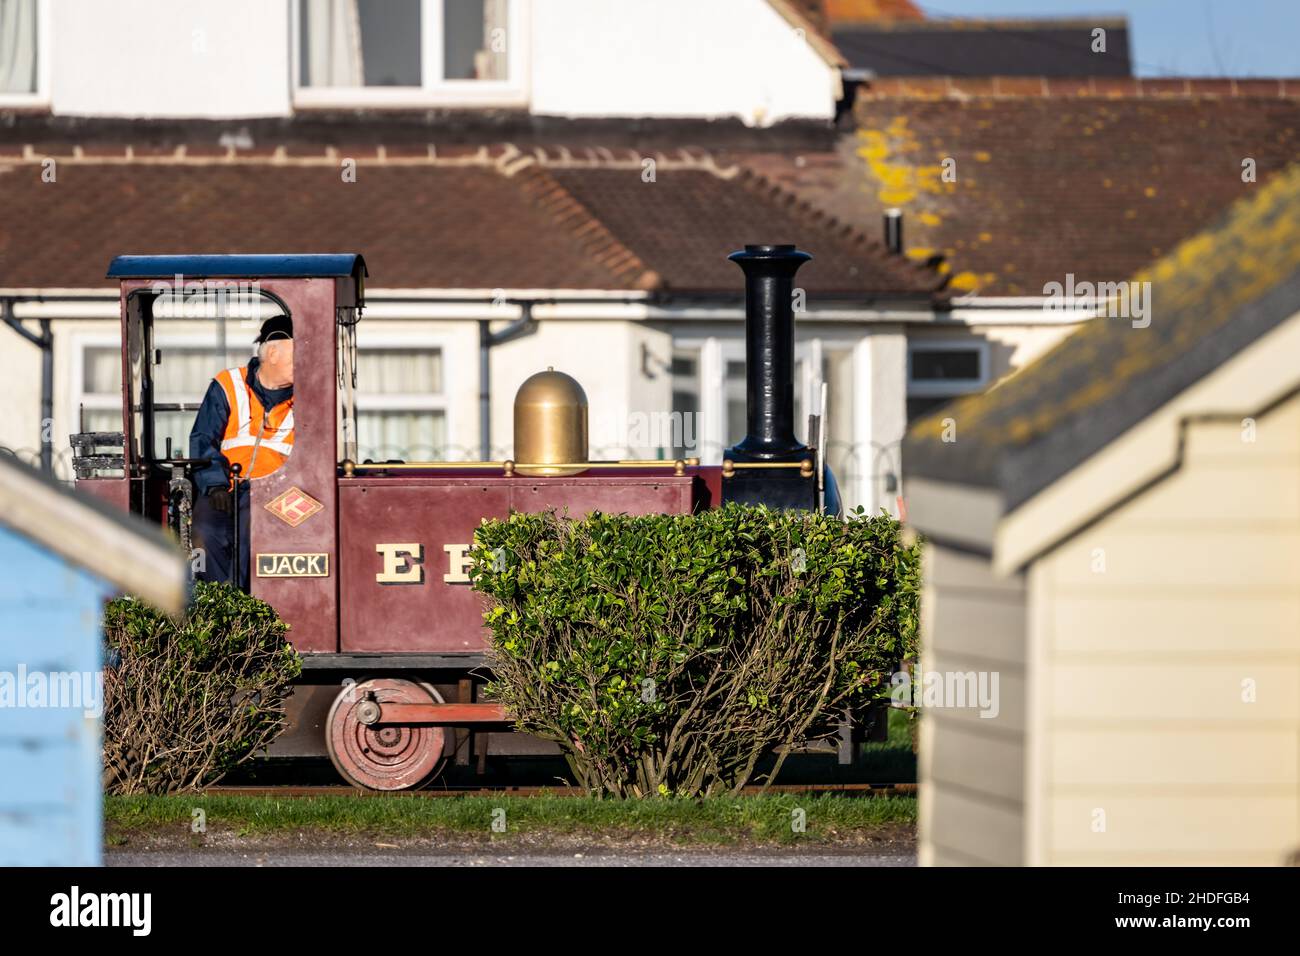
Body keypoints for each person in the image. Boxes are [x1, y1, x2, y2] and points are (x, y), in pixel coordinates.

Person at [189, 315, 295, 589]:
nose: (306, 364)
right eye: (299, 355)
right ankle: (218, 608)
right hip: (226, 488)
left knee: (254, 530)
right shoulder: (228, 385)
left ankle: (247, 612)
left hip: (278, 493)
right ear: (272, 353)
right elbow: (203, 439)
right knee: (205, 529)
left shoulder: (310, 397)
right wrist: (215, 486)